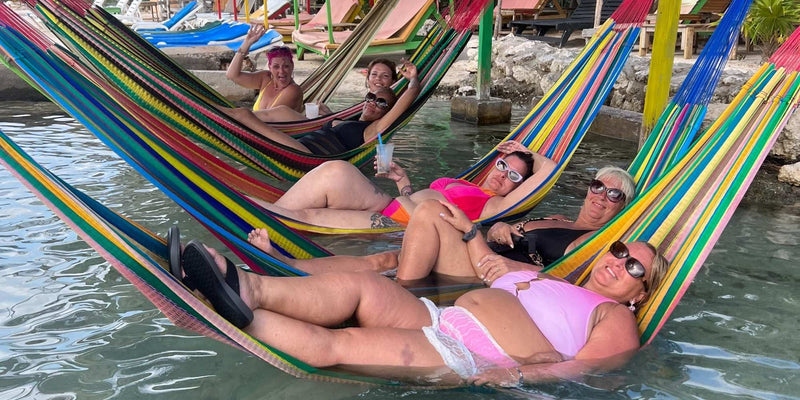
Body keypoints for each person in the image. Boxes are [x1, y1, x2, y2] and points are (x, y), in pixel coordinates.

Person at [177, 201, 669, 386]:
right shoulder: (551, 281)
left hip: (470, 352)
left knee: (336, 347)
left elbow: (588, 367)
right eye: (620, 249)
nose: (617, 262)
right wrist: (471, 231)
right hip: (439, 317)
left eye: (634, 268)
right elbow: (485, 267)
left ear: (640, 294)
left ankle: (229, 314)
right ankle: (245, 285)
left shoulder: (615, 316)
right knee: (360, 287)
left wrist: (516, 375)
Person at [248, 166, 635, 280]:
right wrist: (497, 230)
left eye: (614, 194)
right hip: (475, 244)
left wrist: (507, 255)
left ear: (624, 208)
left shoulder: (595, 241)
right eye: (598, 185)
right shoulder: (561, 219)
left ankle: (250, 220)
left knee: (403, 245)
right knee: (384, 261)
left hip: (483, 266)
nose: (601, 195)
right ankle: (290, 265)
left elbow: (563, 275)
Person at [252, 140, 557, 230]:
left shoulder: (494, 206)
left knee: (309, 218)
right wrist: (404, 182)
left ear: (519, 188)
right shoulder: (470, 184)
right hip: (389, 203)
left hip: (393, 224)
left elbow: (549, 170)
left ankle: (232, 210)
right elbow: (422, 199)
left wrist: (533, 155)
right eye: (503, 165)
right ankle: (246, 219)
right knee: (335, 170)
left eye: (514, 176)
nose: (503, 174)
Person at [221, 60, 419, 155]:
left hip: (306, 155)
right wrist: (332, 118)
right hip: (299, 142)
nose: (372, 103)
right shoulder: (356, 119)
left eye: (381, 103)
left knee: (244, 114)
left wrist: (413, 81)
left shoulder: (373, 130)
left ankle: (196, 110)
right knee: (260, 117)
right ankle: (203, 110)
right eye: (370, 98)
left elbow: (404, 102)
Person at [252, 58, 400, 122]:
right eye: (374, 74)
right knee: (281, 113)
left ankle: (241, 120)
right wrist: (329, 115)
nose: (378, 79)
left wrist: (330, 117)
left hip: (332, 143)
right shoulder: (367, 103)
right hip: (328, 132)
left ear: (394, 81)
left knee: (281, 112)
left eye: (385, 76)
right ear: (367, 79)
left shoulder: (388, 108)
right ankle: (242, 119)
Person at [227, 25, 303, 117]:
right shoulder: (265, 79)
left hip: (277, 131)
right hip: (253, 130)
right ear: (269, 67)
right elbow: (232, 75)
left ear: (292, 66)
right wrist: (247, 43)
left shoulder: (293, 90)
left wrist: (240, 115)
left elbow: (268, 117)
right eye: (276, 67)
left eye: (286, 66)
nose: (281, 71)